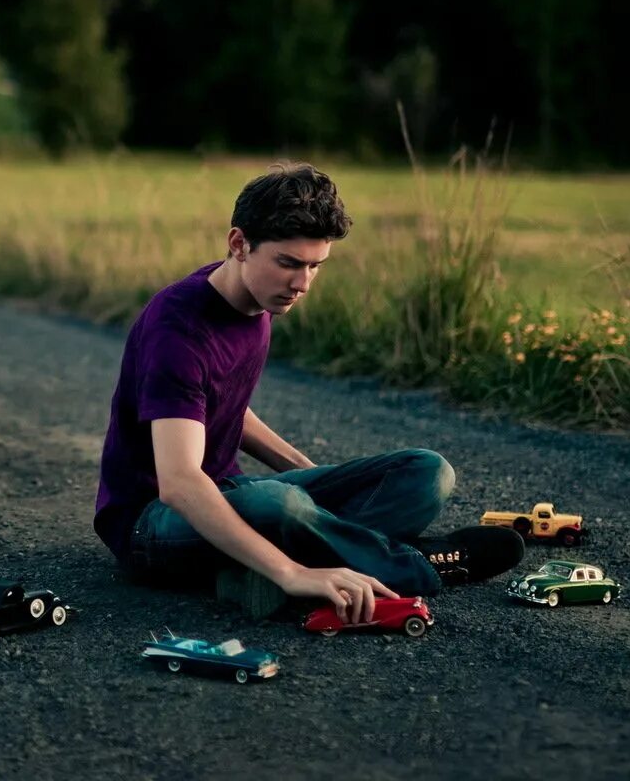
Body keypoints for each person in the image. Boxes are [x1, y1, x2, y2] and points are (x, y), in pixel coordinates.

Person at [93, 163, 524, 622]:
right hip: (152, 522)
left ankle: (258, 571)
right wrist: (291, 568)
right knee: (280, 504)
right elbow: (179, 484)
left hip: (233, 492)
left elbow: (222, 408)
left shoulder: (257, 297)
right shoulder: (179, 327)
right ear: (239, 244)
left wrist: (314, 478)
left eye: (315, 266)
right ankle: (413, 566)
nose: (301, 284)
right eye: (288, 263)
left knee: (425, 472)